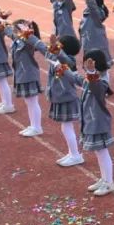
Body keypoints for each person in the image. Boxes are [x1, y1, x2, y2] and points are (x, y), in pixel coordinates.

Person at [73, 49, 114, 196]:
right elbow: (82, 80)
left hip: (98, 122)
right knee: (99, 152)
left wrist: (91, 72)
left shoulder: (101, 81)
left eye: (88, 64)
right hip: (91, 120)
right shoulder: (91, 79)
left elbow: (96, 88)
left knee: (102, 152)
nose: (85, 66)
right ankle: (104, 179)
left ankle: (109, 182)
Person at [38, 34, 84, 166]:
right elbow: (43, 49)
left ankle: (75, 155)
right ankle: (72, 153)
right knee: (65, 127)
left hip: (66, 98)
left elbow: (63, 58)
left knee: (67, 127)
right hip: (61, 97)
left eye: (59, 45)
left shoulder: (68, 60)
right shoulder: (57, 57)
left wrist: (57, 49)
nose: (55, 47)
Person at [4, 19, 44, 138]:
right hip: (22, 74)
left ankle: (37, 127)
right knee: (29, 102)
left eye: (17, 31)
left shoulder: (27, 43)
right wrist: (4, 22)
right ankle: (33, 125)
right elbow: (10, 33)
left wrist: (27, 31)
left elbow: (29, 39)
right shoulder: (18, 40)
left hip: (29, 75)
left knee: (33, 102)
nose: (14, 33)